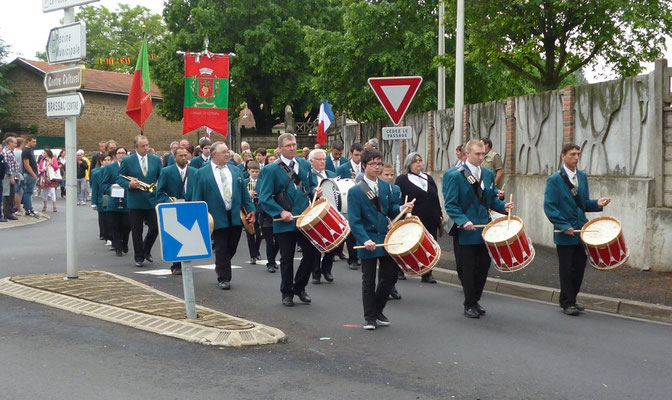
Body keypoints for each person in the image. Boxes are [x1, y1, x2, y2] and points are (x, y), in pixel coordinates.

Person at [444, 139, 513, 319]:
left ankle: (475, 300)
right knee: (467, 268)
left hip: (484, 228)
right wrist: (463, 220)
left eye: (483, 154)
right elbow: (451, 205)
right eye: (478, 154)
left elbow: (490, 200)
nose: (481, 157)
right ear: (467, 154)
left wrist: (503, 207)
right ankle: (469, 303)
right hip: (466, 228)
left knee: (483, 266)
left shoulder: (488, 174)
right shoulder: (454, 175)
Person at [347, 148, 414, 330]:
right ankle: (370, 317)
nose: (377, 167)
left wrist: (402, 208)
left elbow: (391, 209)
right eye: (373, 164)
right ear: (364, 165)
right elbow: (354, 220)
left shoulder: (386, 187)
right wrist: (364, 239)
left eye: (379, 164)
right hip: (367, 239)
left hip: (385, 237)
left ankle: (378, 309)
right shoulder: (355, 191)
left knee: (390, 276)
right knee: (368, 279)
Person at [544, 144, 611, 316]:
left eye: (578, 154)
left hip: (581, 231)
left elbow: (583, 203)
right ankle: (568, 302)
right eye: (572, 154)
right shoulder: (554, 179)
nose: (576, 157)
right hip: (565, 232)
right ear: (563, 156)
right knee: (567, 268)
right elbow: (550, 207)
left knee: (579, 267)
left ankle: (570, 298)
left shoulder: (582, 176)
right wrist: (563, 225)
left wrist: (597, 203)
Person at [257, 133, 321, 306]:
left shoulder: (305, 165)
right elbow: (264, 197)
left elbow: (311, 186)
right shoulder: (270, 169)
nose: (292, 148)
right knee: (287, 257)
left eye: (294, 145)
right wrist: (280, 212)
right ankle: (287, 292)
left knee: (311, 253)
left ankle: (299, 286)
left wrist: (315, 191)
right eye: (288, 145)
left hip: (305, 218)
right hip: (285, 219)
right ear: (280, 149)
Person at [193, 141, 255, 289]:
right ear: (214, 155)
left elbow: (243, 193)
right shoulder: (202, 173)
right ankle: (223, 277)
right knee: (221, 247)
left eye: (228, 151)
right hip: (215, 217)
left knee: (232, 246)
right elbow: (197, 196)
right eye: (224, 152)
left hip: (234, 215)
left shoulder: (235, 170)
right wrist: (200, 216)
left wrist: (250, 208)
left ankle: (221, 263)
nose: (228, 154)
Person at [395, 152, 442, 284]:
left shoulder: (428, 178)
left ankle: (427, 273)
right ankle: (400, 269)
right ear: (408, 164)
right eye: (415, 161)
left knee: (430, 245)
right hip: (413, 219)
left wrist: (440, 214)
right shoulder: (402, 180)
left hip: (431, 217)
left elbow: (435, 197)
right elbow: (398, 199)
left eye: (420, 160)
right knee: (408, 245)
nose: (418, 163)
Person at [117, 135, 162, 267]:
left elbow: (161, 177)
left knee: (155, 227)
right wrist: (129, 184)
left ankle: (146, 249)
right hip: (135, 200)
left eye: (147, 145)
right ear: (136, 147)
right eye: (143, 146)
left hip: (151, 200)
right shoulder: (128, 160)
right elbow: (120, 178)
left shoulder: (155, 159)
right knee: (137, 230)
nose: (146, 148)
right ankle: (139, 257)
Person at [157, 146, 198, 275]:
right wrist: (169, 201)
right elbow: (160, 192)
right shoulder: (166, 172)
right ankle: (176, 264)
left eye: (186, 155)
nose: (184, 158)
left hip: (189, 207)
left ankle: (186, 260)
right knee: (176, 236)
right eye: (180, 155)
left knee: (189, 235)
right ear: (174, 157)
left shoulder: (195, 172)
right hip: (173, 208)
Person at [308, 149, 338, 284]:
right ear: (311, 161)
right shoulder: (309, 175)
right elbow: (305, 190)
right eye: (319, 159)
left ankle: (326, 268)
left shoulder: (331, 174)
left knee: (335, 241)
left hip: (331, 211)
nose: (322, 161)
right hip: (315, 212)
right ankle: (315, 272)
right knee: (315, 243)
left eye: (324, 159)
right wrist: (313, 191)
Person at [337, 143, 364, 269]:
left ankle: (360, 255)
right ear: (351, 154)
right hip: (348, 202)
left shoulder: (365, 167)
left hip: (363, 201)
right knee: (351, 231)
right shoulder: (343, 168)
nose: (359, 158)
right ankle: (352, 258)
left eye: (360, 155)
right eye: (356, 155)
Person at [443, 144, 467, 283]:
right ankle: (463, 277)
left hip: (477, 219)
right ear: (464, 155)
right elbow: (448, 196)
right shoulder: (452, 173)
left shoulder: (483, 172)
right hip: (459, 217)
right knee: (460, 252)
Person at [102, 147, 131, 257]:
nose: (121, 155)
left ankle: (125, 242)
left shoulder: (130, 167)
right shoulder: (109, 168)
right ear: (115, 155)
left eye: (123, 153)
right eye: (119, 153)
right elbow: (104, 184)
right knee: (115, 225)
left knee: (127, 225)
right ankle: (118, 246)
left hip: (127, 199)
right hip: (114, 200)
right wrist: (112, 189)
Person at [380, 163, 402, 299]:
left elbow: (396, 206)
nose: (389, 178)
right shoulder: (377, 189)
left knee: (395, 260)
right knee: (384, 260)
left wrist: (403, 208)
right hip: (383, 227)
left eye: (391, 175)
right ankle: (385, 287)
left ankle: (392, 285)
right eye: (386, 175)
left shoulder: (396, 188)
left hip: (395, 225)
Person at [243, 161, 263, 265]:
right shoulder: (245, 182)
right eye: (252, 171)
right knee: (250, 233)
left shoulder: (262, 181)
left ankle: (256, 250)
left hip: (259, 209)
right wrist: (248, 194)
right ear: (248, 171)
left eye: (256, 171)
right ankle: (252, 255)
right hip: (249, 210)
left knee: (259, 233)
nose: (254, 174)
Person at [91, 153, 112, 246]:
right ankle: (106, 236)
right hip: (101, 198)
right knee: (103, 218)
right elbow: (94, 188)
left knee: (111, 218)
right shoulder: (96, 172)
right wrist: (93, 202)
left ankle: (112, 236)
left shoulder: (114, 170)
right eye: (105, 160)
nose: (107, 162)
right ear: (101, 162)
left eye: (109, 160)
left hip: (111, 197)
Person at [38, 148, 60, 213]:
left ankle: (54, 206)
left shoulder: (53, 159)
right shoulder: (42, 160)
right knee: (44, 192)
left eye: (44, 153)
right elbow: (39, 167)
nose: (43, 154)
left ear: (48, 153)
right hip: (44, 177)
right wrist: (41, 170)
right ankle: (45, 205)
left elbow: (56, 167)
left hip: (51, 178)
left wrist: (51, 163)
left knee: (52, 192)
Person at [21, 135, 39, 217]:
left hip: (32, 174)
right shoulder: (26, 151)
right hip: (29, 175)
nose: (35, 143)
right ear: (28, 141)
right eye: (33, 141)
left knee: (28, 192)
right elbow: (26, 165)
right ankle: (28, 209)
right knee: (28, 192)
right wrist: (33, 174)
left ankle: (28, 208)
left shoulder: (30, 150)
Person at [2, 136, 19, 220]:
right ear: (9, 143)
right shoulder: (6, 152)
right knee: (8, 194)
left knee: (11, 194)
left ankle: (9, 212)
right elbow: (7, 166)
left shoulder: (11, 152)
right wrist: (11, 177)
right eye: (14, 143)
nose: (16, 145)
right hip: (8, 176)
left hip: (13, 175)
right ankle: (7, 213)